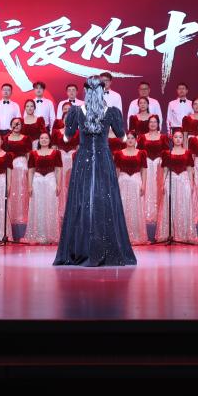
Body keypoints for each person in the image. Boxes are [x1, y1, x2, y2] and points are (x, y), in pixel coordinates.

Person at [53, 75, 137, 266]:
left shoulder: (76, 111)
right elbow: (122, 137)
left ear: (85, 91)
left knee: (82, 199)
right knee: (103, 198)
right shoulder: (111, 111)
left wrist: (67, 130)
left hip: (83, 158)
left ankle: (81, 248)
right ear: (102, 91)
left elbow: (67, 137)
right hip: (103, 159)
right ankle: (105, 247)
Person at [157, 130, 198, 244]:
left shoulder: (187, 153)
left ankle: (184, 234)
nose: (178, 139)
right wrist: (163, 183)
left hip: (184, 180)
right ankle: (170, 233)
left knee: (184, 205)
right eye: (176, 137)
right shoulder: (167, 153)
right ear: (172, 139)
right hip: (172, 180)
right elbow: (165, 170)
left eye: (180, 137)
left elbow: (189, 169)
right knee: (170, 205)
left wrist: (191, 183)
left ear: (183, 139)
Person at [26, 132, 62, 244]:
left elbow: (58, 169)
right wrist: (29, 186)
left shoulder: (56, 153)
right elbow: (30, 170)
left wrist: (58, 184)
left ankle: (51, 235)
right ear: (39, 140)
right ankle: (38, 235)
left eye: (46, 138)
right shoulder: (33, 153)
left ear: (49, 140)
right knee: (38, 206)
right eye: (42, 138)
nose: (44, 140)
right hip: (37, 181)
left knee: (50, 205)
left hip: (50, 180)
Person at [113, 134, 149, 245]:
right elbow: (116, 170)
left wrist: (143, 185)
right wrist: (115, 185)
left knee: (136, 207)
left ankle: (137, 236)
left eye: (132, 138)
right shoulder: (118, 153)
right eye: (128, 138)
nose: (130, 140)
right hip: (123, 182)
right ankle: (121, 237)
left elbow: (144, 170)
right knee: (123, 207)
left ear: (136, 140)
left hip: (136, 182)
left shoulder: (141, 153)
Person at [3, 118, 33, 224]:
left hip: (22, 165)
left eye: (18, 124)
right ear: (11, 125)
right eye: (14, 124)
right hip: (9, 167)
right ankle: (10, 215)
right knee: (10, 189)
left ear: (22, 126)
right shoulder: (5, 138)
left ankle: (21, 215)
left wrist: (29, 167)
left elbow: (29, 155)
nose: (16, 126)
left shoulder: (26, 138)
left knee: (21, 190)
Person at [52, 102, 79, 219]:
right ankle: (60, 209)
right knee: (60, 182)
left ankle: (72, 209)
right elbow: (54, 148)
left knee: (72, 183)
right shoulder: (56, 132)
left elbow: (79, 148)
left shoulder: (77, 132)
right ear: (62, 120)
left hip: (73, 158)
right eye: (65, 118)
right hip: (61, 158)